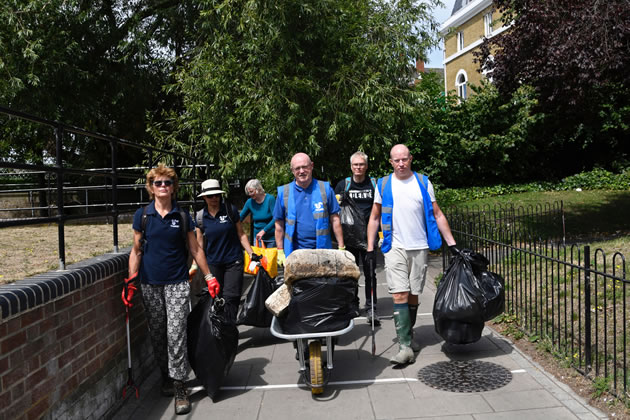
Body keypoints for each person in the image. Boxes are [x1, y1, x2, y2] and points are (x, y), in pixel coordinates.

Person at [124, 164, 214, 415]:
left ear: (174, 187)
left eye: (167, 183)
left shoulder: (182, 216)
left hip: (176, 283)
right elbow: (136, 250)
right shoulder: (142, 216)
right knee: (158, 334)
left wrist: (209, 277)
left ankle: (179, 385)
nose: (163, 187)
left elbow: (196, 250)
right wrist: (131, 282)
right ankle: (166, 375)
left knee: (176, 333)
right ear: (151, 188)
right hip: (149, 283)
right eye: (158, 183)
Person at [366, 144, 459, 365]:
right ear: (391, 162)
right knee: (399, 294)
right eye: (396, 160)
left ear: (411, 159)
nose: (400, 164)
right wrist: (370, 248)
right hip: (393, 246)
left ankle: (409, 334)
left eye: (404, 159)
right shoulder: (383, 184)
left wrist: (452, 244)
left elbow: (437, 213)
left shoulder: (423, 182)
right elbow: (374, 217)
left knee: (413, 294)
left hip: (419, 247)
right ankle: (404, 346)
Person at [192, 179, 258, 325]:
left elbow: (241, 234)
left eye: (217, 195)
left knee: (232, 297)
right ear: (204, 197)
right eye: (210, 196)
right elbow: (199, 245)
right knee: (216, 297)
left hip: (233, 260)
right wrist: (194, 265)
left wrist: (251, 253)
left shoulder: (229, 210)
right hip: (213, 263)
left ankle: (230, 328)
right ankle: (222, 328)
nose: (214, 198)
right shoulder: (200, 217)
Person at [273, 152, 345, 264]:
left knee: (322, 281)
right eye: (297, 168)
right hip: (294, 253)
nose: (301, 171)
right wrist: (280, 250)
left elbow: (335, 219)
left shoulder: (325, 189)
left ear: (311, 166)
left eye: (304, 167)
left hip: (322, 252)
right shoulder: (284, 192)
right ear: (292, 170)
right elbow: (279, 224)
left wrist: (341, 247)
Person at [334, 151, 380, 325]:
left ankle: (371, 307)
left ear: (366, 166)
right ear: (351, 166)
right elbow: (334, 211)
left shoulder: (374, 185)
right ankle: (352, 303)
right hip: (349, 238)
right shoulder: (343, 185)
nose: (358, 168)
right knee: (350, 274)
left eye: (361, 164)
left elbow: (381, 211)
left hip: (369, 237)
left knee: (370, 273)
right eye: (355, 165)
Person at [240, 179, 276, 247]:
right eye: (248, 192)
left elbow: (276, 218)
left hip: (271, 238)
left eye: (251, 191)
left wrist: (264, 230)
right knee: (258, 257)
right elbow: (240, 218)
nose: (250, 194)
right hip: (257, 238)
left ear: (258, 189)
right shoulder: (249, 202)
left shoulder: (270, 199)